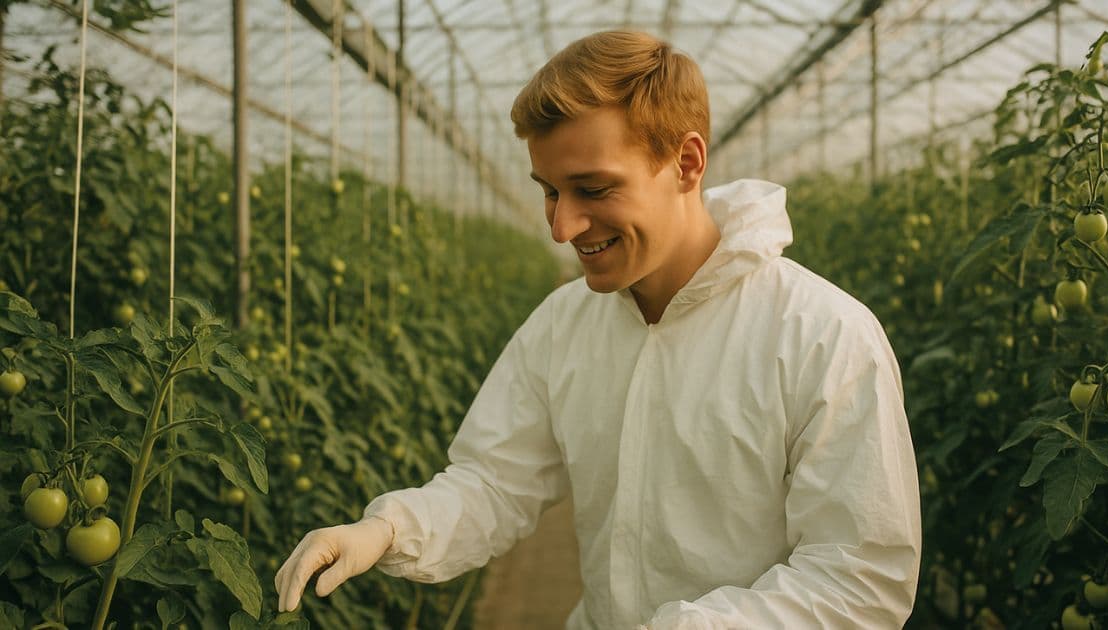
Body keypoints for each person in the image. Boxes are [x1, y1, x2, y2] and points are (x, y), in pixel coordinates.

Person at [274, 30, 921, 629]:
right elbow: (496, 480)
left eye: (593, 189)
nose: (562, 227)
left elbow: (859, 580)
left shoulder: (820, 337)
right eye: (550, 191)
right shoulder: (566, 323)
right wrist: (387, 530)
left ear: (686, 163)